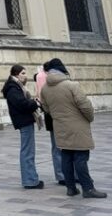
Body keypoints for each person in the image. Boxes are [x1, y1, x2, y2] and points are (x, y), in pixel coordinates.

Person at [38, 58, 106, 198]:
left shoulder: (44, 89)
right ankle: (88, 189)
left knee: (66, 157)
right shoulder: (72, 85)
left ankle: (71, 188)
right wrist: (90, 117)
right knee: (81, 158)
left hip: (60, 128)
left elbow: (46, 108)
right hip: (77, 127)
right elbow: (85, 105)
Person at [2, 64, 43, 189]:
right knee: (27, 152)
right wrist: (35, 103)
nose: (25, 76)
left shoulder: (15, 86)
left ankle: (31, 179)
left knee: (28, 151)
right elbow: (22, 104)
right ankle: (30, 180)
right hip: (23, 121)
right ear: (16, 74)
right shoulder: (13, 88)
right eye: (23, 73)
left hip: (25, 120)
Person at [34, 62, 65, 185]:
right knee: (62, 147)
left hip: (51, 115)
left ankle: (61, 175)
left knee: (57, 146)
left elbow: (41, 98)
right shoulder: (47, 78)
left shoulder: (41, 77)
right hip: (57, 116)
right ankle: (64, 175)